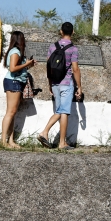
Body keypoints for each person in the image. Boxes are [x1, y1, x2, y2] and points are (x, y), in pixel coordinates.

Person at [37, 22, 82, 150]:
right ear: (73, 32)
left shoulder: (52, 46)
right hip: (67, 84)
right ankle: (59, 141)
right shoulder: (73, 49)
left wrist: (50, 84)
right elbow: (75, 69)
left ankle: (50, 136)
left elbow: (48, 66)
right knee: (64, 112)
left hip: (55, 83)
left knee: (59, 111)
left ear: (61, 32)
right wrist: (79, 86)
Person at [0, 30, 35, 148]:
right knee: (10, 112)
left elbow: (18, 68)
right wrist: (27, 64)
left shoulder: (16, 52)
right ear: (20, 40)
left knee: (13, 112)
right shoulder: (15, 52)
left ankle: (10, 141)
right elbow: (13, 69)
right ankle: (3, 141)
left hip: (17, 82)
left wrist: (28, 65)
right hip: (13, 82)